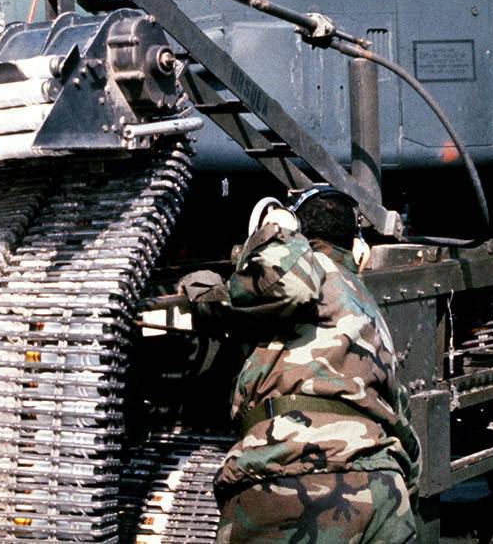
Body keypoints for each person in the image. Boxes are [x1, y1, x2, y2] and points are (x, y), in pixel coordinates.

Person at [178, 189, 420, 543]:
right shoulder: (366, 304)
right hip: (383, 488)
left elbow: (267, 290)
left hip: (298, 477)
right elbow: (401, 416)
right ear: (357, 247)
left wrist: (272, 233)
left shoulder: (299, 270)